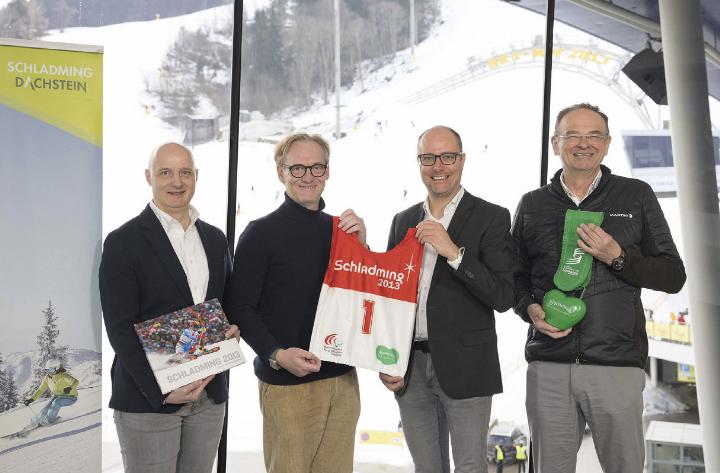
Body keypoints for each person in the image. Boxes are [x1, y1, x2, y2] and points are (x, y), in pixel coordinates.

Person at [512, 103, 686, 473]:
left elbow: (673, 274)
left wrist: (618, 256)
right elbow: (514, 278)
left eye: (594, 135)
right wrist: (529, 308)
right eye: (573, 135)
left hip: (616, 364)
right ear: (555, 142)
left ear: (607, 144)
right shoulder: (533, 205)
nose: (583, 144)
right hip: (549, 364)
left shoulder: (635, 196)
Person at [224, 132, 366, 473]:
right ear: (281, 173)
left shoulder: (342, 231)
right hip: (288, 386)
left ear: (328, 171)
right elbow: (240, 306)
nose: (308, 176)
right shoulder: (260, 233)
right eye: (297, 168)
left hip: (342, 381)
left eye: (316, 167)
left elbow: (360, 300)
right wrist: (275, 354)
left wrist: (362, 248)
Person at [379, 126, 515, 473]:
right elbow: (390, 298)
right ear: (419, 162)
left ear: (462, 160)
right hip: (410, 368)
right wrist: (388, 359)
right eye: (428, 158)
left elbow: (502, 295)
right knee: (426, 467)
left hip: (467, 364)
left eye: (447, 157)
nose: (438, 166)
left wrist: (453, 253)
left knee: (470, 466)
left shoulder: (491, 217)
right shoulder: (403, 220)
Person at [99, 142, 238, 473]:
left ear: (196, 177)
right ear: (149, 177)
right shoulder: (123, 242)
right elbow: (119, 327)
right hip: (149, 399)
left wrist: (231, 329)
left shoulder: (216, 239)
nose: (176, 181)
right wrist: (163, 391)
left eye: (184, 172)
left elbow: (222, 306)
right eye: (166, 172)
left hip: (208, 395)